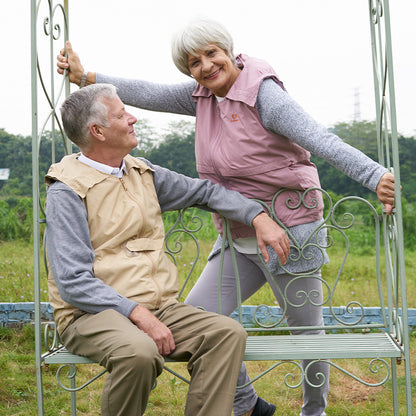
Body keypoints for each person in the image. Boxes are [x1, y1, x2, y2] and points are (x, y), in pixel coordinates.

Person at [56, 19, 395, 416]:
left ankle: (313, 411)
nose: (205, 66)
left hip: (291, 235)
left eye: (211, 53)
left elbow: (319, 138)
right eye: (193, 62)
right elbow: (150, 93)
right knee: (202, 318)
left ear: (229, 51)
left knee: (308, 336)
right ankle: (248, 405)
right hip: (236, 237)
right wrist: (87, 77)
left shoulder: (264, 96)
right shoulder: (202, 96)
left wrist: (375, 176)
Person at [45, 83, 291, 416]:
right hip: (90, 315)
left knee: (225, 333)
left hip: (156, 306)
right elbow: (73, 281)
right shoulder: (67, 190)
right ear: (98, 131)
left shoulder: (140, 172)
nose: (132, 118)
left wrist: (257, 215)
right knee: (139, 353)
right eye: (121, 114)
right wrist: (138, 314)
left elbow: (203, 192)